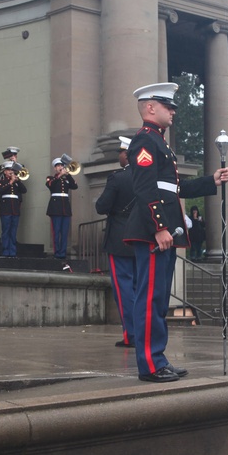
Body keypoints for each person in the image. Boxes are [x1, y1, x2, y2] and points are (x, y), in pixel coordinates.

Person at [124, 83, 228, 384]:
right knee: (149, 298)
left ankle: (158, 358)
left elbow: (175, 188)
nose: (172, 111)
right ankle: (149, 364)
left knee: (158, 299)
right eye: (167, 105)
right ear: (149, 108)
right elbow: (145, 189)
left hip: (164, 228)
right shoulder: (146, 141)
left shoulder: (159, 143)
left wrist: (211, 181)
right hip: (153, 230)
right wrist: (159, 227)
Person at [94, 136, 136, 348]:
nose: (119, 155)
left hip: (120, 240)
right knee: (141, 289)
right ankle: (144, 333)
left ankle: (131, 335)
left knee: (124, 289)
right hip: (142, 240)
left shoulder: (117, 178)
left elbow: (101, 207)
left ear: (126, 154)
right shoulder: (148, 176)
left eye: (120, 152)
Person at [45, 157, 78, 261]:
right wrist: (60, 175)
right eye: (58, 166)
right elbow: (50, 185)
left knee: (64, 232)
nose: (60, 167)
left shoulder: (67, 179)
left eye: (62, 165)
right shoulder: (51, 178)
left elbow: (74, 186)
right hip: (55, 208)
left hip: (65, 208)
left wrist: (68, 175)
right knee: (56, 231)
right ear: (55, 168)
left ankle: (63, 253)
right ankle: (57, 252)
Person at [0, 160, 27, 257]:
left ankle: (12, 252)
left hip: (15, 209)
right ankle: (5, 251)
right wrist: (11, 182)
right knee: (6, 231)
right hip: (5, 209)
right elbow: (0, 190)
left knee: (13, 231)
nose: (11, 171)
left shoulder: (17, 182)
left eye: (12, 170)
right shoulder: (1, 181)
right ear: (5, 171)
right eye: (8, 169)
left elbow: (24, 190)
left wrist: (17, 181)